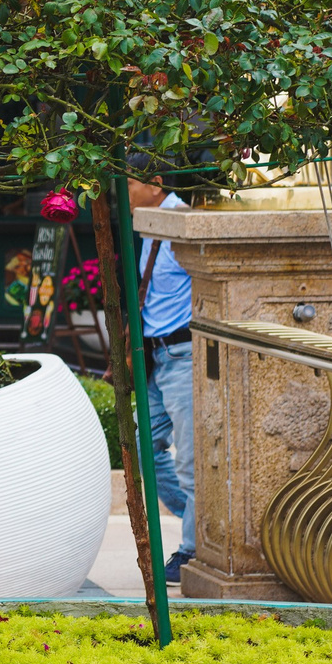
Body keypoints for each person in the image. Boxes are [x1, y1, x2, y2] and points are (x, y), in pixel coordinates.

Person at [129, 171, 197, 583]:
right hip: (157, 356)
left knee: (190, 462)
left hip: (184, 352)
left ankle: (191, 549)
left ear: (155, 184)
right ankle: (201, 528)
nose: (126, 195)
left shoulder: (183, 222)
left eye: (130, 186)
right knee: (143, 449)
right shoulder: (151, 224)